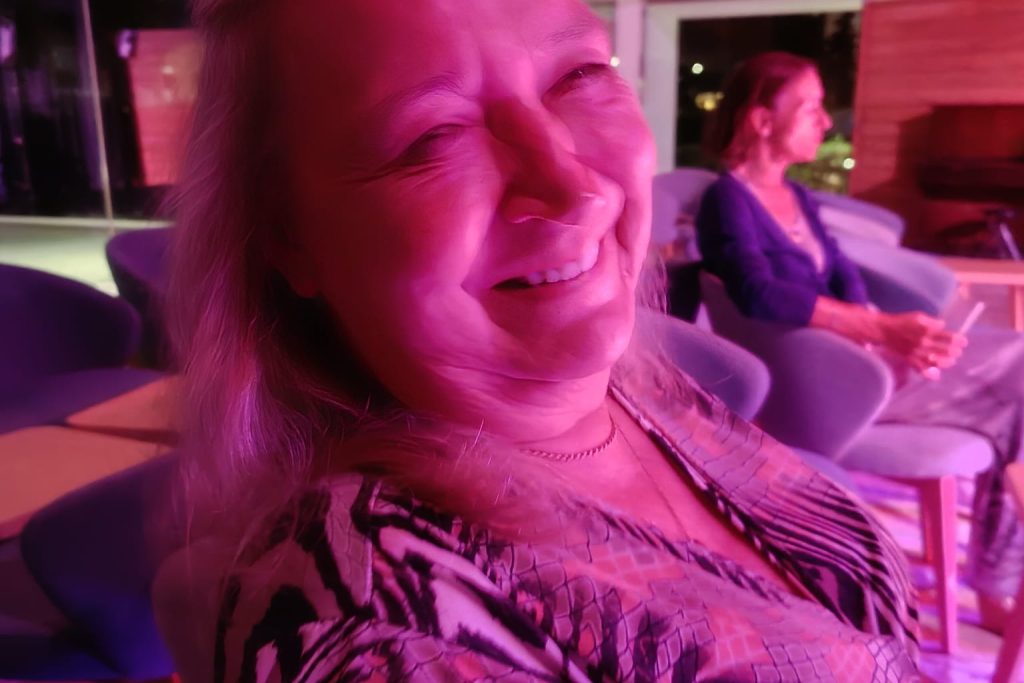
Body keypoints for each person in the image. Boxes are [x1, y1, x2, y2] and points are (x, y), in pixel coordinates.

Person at [152, 7, 921, 682]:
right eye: (432, 136)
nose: (573, 186)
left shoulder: (648, 398)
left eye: (579, 76)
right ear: (288, 237)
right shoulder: (380, 623)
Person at [695, 50, 1024, 633]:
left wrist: (887, 332)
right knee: (1015, 393)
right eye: (811, 108)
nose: (826, 123)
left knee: (1015, 372)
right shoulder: (727, 201)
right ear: (762, 120)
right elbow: (756, 292)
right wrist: (880, 332)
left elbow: (842, 272)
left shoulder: (797, 197)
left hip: (863, 362)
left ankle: (999, 576)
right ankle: (999, 584)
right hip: (830, 389)